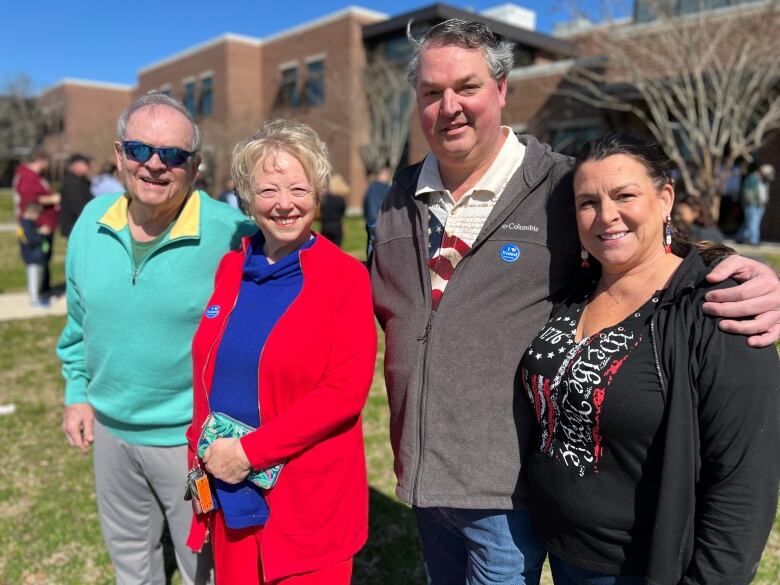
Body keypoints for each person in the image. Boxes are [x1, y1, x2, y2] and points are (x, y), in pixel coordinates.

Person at [369, 18, 780, 585]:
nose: (450, 107)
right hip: (425, 480)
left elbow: (639, 241)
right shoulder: (397, 199)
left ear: (501, 89)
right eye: (432, 93)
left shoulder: (561, 188)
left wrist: (743, 275)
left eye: (467, 87)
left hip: (506, 491)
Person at [520, 131, 778, 584]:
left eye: (624, 196)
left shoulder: (718, 310)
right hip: (559, 554)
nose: (606, 216)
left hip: (642, 568)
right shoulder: (574, 290)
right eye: (587, 202)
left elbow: (744, 481)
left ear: (665, 199)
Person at [57, 92, 255, 585]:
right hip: (111, 434)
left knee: (202, 570)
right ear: (119, 154)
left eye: (173, 155)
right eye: (140, 149)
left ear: (196, 166)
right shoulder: (90, 224)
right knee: (130, 562)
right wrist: (78, 393)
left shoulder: (233, 235)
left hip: (191, 442)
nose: (154, 165)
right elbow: (79, 323)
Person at [186, 119, 376, 585]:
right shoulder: (231, 268)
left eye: (298, 188)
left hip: (306, 503)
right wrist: (202, 456)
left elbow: (344, 393)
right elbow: (209, 370)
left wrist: (249, 453)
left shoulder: (344, 278)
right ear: (248, 197)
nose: (285, 204)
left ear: (317, 192)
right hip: (230, 490)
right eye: (269, 190)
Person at [12, 149, 60, 299]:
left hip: (44, 224)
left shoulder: (36, 177)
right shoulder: (27, 176)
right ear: (40, 160)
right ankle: (39, 294)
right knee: (37, 259)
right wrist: (53, 199)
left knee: (44, 259)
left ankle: (43, 290)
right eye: (46, 162)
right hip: (37, 225)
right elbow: (29, 200)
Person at [17, 202, 52, 307]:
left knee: (38, 278)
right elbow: (30, 240)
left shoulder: (29, 224)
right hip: (32, 256)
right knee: (34, 278)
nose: (38, 218)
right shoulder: (26, 224)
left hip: (36, 256)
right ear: (31, 213)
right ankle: (34, 300)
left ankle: (37, 297)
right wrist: (41, 233)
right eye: (37, 215)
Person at [736, 163, 774, 245]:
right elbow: (747, 192)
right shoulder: (752, 178)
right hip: (751, 203)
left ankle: (740, 237)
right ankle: (754, 240)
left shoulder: (765, 180)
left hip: (761, 204)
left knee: (749, 221)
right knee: (754, 221)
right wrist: (750, 201)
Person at [59, 153, 93, 238]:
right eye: (85, 163)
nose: (88, 166)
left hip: (79, 226)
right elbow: (78, 206)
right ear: (75, 165)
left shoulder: (82, 181)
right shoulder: (73, 183)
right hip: (75, 227)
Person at [363, 166, 392, 255]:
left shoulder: (370, 188)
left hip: (371, 222)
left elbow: (365, 204)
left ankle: (370, 267)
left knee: (371, 247)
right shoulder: (388, 189)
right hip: (384, 222)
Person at [319, 173, 348, 246]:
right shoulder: (341, 200)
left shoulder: (325, 199)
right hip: (337, 226)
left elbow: (322, 212)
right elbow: (342, 214)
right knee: (336, 249)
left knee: (325, 249)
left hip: (325, 226)